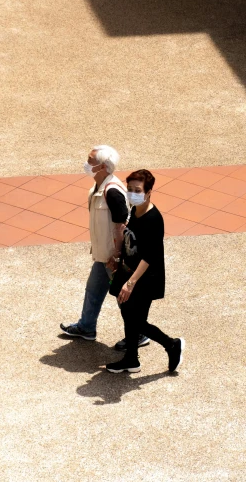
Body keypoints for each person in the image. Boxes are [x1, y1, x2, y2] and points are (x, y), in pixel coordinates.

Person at [60, 145, 150, 350]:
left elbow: (121, 225)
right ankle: (86, 327)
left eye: (90, 161)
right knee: (93, 289)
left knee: (122, 296)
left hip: (113, 257)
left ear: (102, 166)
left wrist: (118, 257)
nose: (86, 164)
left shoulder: (112, 192)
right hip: (102, 255)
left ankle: (138, 334)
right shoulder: (98, 186)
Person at [106, 169, 184, 373]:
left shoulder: (154, 219)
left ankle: (171, 344)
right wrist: (117, 258)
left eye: (137, 190)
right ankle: (131, 359)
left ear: (149, 191)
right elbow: (130, 240)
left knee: (136, 320)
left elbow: (150, 256)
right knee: (129, 316)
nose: (132, 193)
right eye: (129, 189)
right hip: (128, 270)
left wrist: (130, 283)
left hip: (144, 278)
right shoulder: (134, 210)